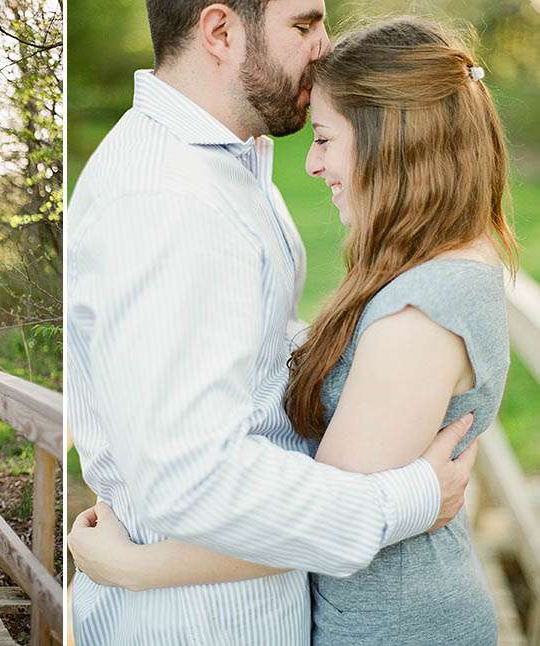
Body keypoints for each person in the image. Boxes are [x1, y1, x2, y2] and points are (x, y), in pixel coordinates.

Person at [71, 16, 517, 645]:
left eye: (326, 139)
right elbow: (197, 475)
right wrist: (411, 496)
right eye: (305, 22)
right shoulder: (170, 196)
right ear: (220, 32)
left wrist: (135, 568)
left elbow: (328, 499)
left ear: (390, 142)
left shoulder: (422, 304)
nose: (322, 44)